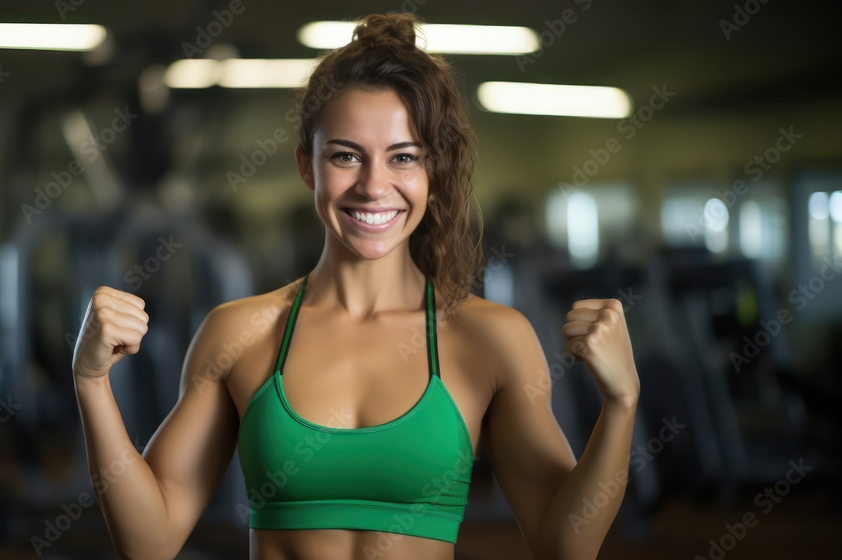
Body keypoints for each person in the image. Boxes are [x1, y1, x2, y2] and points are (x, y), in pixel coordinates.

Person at [71, 12, 640, 560]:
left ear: (433, 172)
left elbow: (563, 546)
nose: (374, 186)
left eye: (403, 158)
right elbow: (149, 542)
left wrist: (621, 402)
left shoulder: (490, 339)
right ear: (306, 166)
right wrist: (92, 380)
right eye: (346, 156)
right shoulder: (241, 333)